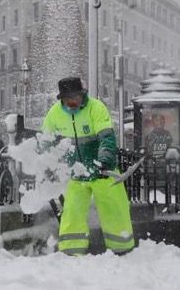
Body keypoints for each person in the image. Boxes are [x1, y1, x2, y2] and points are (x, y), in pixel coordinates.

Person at [41, 76, 135, 256]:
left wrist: (105, 160)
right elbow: (45, 141)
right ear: (61, 98)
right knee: (72, 213)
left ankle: (121, 248)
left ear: (82, 94)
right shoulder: (54, 113)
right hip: (77, 173)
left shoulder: (96, 108)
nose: (71, 101)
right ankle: (71, 250)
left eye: (75, 97)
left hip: (103, 172)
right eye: (67, 98)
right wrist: (43, 161)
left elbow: (106, 137)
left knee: (114, 210)